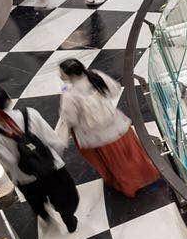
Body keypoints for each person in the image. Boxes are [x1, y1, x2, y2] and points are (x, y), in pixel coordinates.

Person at [0, 82, 79, 232]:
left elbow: (10, 162)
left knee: (38, 203)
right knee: (64, 198)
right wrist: (51, 159)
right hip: (52, 170)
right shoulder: (30, 113)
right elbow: (55, 142)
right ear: (8, 99)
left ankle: (46, 217)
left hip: (26, 179)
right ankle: (68, 220)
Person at [53, 58, 159, 197]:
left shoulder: (70, 94)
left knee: (117, 163)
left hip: (97, 137)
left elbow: (70, 118)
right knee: (131, 155)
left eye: (61, 72)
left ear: (68, 74)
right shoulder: (95, 75)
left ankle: (130, 186)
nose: (59, 74)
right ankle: (146, 175)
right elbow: (114, 90)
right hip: (117, 125)